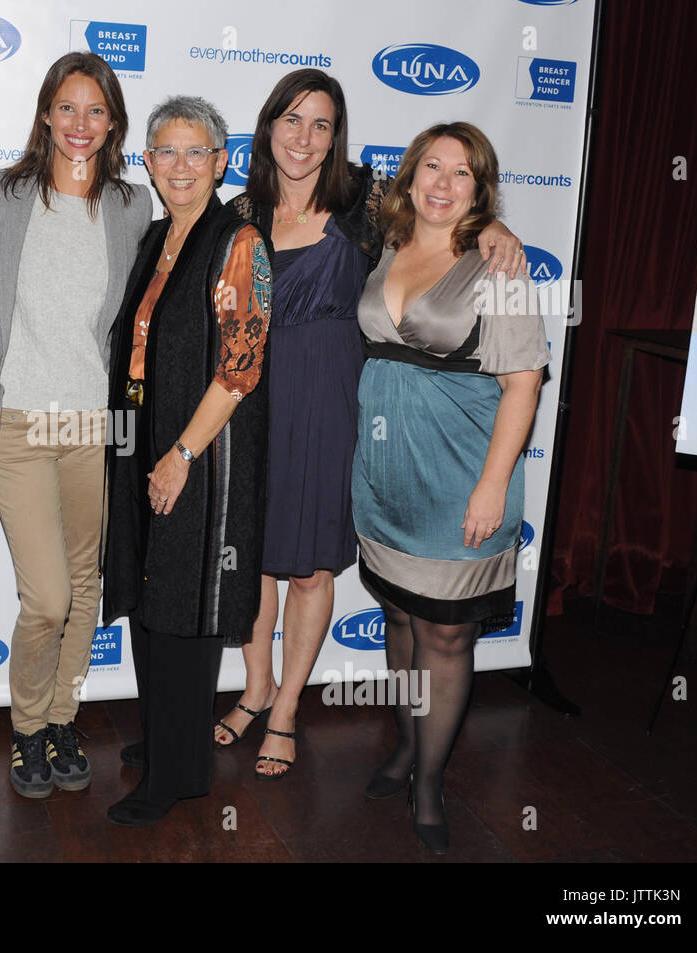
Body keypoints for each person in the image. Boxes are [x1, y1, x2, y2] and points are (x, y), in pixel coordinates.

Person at [220, 69, 527, 780]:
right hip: (255, 402)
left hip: (332, 402)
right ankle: (256, 684)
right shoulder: (239, 211)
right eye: (291, 120)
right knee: (257, 556)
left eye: (321, 124)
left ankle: (289, 706)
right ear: (268, 128)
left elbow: (445, 204)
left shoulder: (365, 201)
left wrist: (499, 226)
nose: (305, 137)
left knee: (312, 563)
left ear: (337, 137)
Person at [352, 122, 548, 853]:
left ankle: (429, 780)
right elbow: (320, 167)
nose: (441, 182)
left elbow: (524, 384)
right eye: (430, 166)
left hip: (461, 475)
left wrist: (492, 486)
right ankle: (406, 745)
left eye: (461, 174)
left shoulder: (497, 267)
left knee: (444, 631)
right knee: (400, 620)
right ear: (409, 177)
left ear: (480, 188)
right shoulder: (388, 235)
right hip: (383, 472)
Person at [0, 52, 151, 798]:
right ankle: (23, 727)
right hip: (17, 419)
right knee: (44, 595)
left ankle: (60, 717)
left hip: (94, 425)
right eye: (67, 108)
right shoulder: (2, 192)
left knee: (84, 585)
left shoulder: (131, 205)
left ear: (113, 124)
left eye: (96, 111)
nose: (81, 124)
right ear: (46, 113)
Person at [102, 96, 271, 827]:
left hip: (201, 447)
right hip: (144, 431)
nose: (179, 166)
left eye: (194, 152)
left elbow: (240, 367)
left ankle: (179, 773)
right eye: (164, 152)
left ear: (221, 161)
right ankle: (163, 733)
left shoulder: (238, 242)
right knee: (149, 591)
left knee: (186, 603)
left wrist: (179, 454)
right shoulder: (157, 236)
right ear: (147, 162)